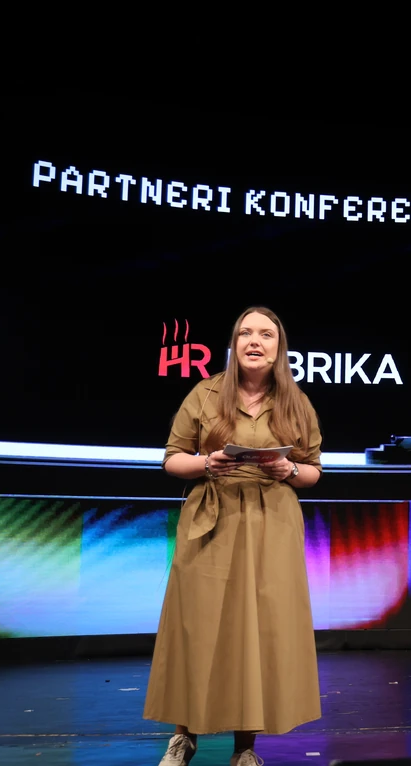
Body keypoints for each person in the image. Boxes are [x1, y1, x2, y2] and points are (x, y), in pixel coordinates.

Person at [144, 306, 325, 766]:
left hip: (272, 524)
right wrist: (207, 462)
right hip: (212, 517)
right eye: (246, 333)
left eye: (265, 334)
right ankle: (183, 736)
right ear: (234, 343)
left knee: (257, 632)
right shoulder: (205, 393)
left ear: (279, 347)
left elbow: (313, 471)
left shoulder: (296, 401)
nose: (254, 341)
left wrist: (289, 469)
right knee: (197, 627)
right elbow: (171, 458)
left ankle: (245, 747)